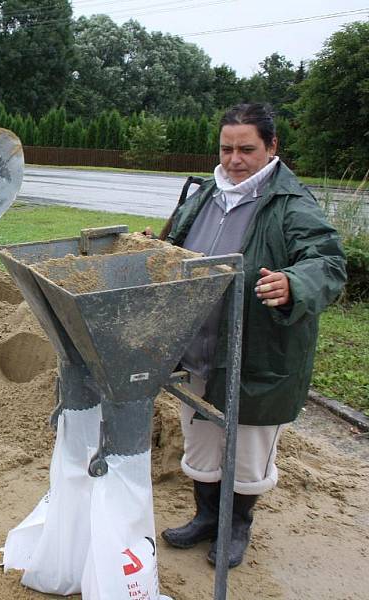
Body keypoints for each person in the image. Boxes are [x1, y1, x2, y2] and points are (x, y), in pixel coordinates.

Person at [156, 103, 346, 568]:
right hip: (196, 349)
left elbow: (327, 263)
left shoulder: (291, 204)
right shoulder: (204, 193)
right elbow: (173, 245)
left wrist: (293, 284)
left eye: (246, 149)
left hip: (255, 354)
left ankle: (235, 527)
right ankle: (205, 517)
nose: (234, 160)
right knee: (201, 444)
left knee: (245, 451)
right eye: (226, 149)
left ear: (271, 147)